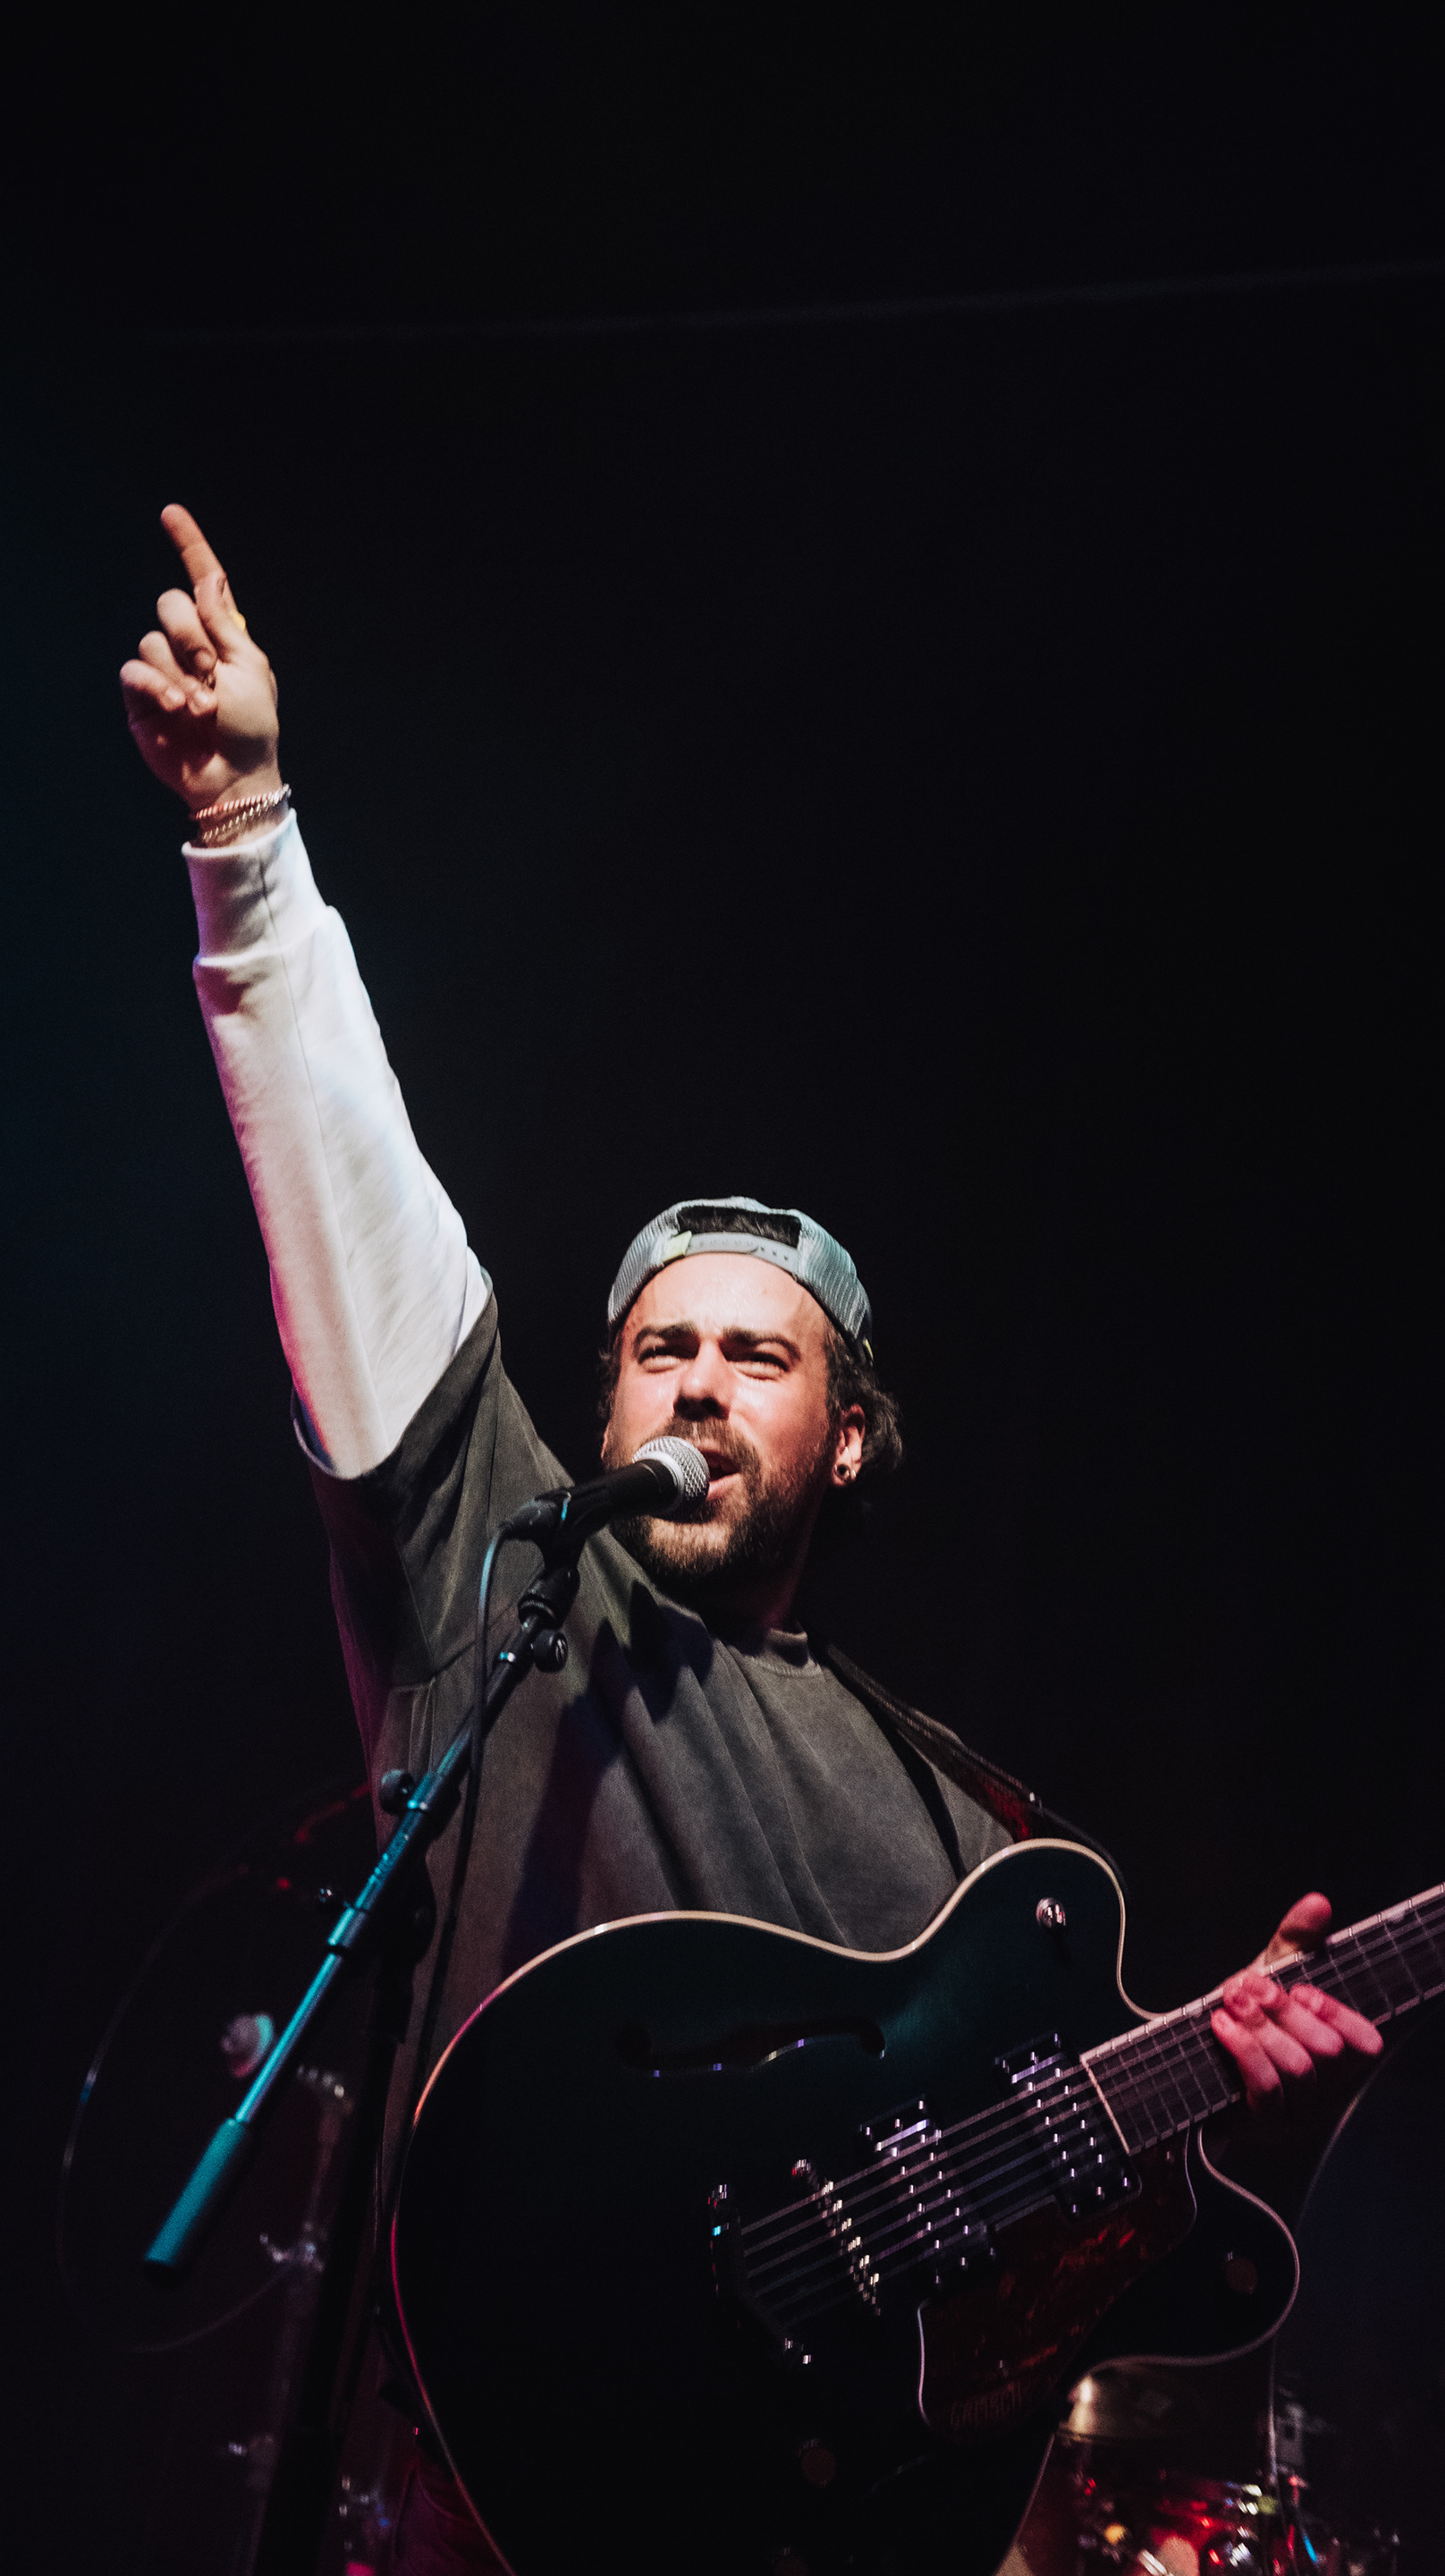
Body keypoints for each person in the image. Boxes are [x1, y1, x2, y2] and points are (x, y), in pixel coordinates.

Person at [120, 505, 1381, 2575]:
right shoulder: (499, 1576)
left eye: (758, 1356)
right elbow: (361, 1215)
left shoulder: (975, 1837)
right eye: (660, 1349)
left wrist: (1252, 2120)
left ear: (851, 1438)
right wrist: (246, 835)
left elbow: (1035, 2318)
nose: (699, 1384)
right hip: (495, 2505)